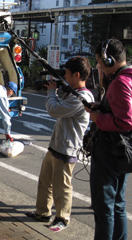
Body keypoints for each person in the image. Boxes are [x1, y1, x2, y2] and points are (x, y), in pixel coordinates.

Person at [25, 56, 95, 232]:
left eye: (67, 74)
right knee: (45, 181)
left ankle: (62, 218)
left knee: (62, 187)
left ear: (77, 74)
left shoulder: (82, 97)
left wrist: (51, 92)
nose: (65, 76)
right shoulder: (72, 92)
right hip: (56, 145)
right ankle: (42, 212)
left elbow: (54, 110)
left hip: (67, 148)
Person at [85, 38, 132, 240]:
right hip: (123, 151)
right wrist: (101, 106)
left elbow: (126, 121)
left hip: (111, 150)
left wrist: (98, 118)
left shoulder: (120, 83)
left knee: (104, 206)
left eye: (98, 61)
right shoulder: (128, 78)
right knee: (118, 203)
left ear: (109, 61)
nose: (98, 66)